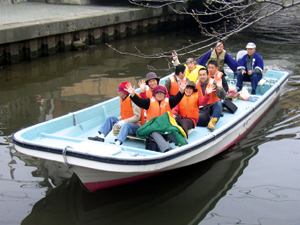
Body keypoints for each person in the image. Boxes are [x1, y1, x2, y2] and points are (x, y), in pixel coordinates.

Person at [125, 82, 187, 152]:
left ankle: (185, 146)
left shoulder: (169, 101)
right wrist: (132, 94)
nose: (159, 95)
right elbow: (139, 101)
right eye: (158, 93)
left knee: (175, 131)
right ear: (154, 94)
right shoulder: (149, 102)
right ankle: (167, 149)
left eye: (161, 93)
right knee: (154, 133)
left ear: (164, 94)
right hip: (154, 128)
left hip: (166, 127)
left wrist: (181, 90)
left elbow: (177, 98)